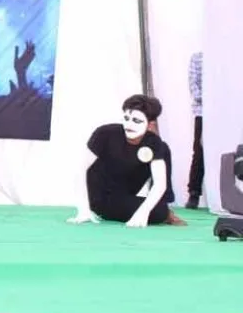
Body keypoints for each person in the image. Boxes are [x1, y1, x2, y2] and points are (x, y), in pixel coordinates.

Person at [68, 94, 185, 227]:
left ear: (150, 125)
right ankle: (163, 211)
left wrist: (143, 212)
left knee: (163, 149)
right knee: (160, 212)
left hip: (125, 194)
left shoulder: (153, 142)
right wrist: (84, 209)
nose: (129, 125)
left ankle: (163, 204)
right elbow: (80, 170)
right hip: (100, 197)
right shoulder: (104, 134)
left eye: (137, 121)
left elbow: (160, 183)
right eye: (126, 118)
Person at [186, 51, 203, 209]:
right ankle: (194, 193)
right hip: (203, 112)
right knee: (199, 151)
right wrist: (211, 98)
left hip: (227, 113)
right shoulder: (198, 57)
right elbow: (194, 86)